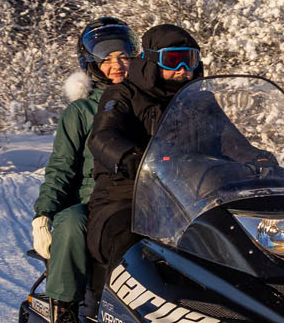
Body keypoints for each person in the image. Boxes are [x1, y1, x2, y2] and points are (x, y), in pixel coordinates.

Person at [31, 17, 138, 323]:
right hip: (92, 201)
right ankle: (65, 316)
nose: (116, 65)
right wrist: (44, 214)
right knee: (74, 222)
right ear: (91, 63)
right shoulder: (80, 112)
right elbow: (61, 167)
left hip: (146, 196)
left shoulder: (147, 103)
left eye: (122, 56)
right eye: (106, 58)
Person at [86, 23, 205, 269]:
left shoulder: (201, 101)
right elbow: (103, 135)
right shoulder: (122, 95)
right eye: (173, 61)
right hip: (125, 199)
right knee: (130, 245)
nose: (183, 69)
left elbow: (230, 141)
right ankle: (106, 303)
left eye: (189, 60)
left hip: (188, 201)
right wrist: (129, 156)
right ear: (152, 62)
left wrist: (259, 160)